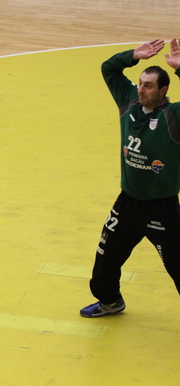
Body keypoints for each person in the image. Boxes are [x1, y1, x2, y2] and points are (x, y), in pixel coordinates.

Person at [80, 38, 180, 318]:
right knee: (106, 255)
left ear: (163, 90)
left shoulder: (174, 115)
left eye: (148, 86)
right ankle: (110, 300)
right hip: (128, 202)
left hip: (161, 206)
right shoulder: (128, 102)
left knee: (177, 265)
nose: (141, 89)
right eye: (140, 83)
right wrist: (132, 56)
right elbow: (108, 69)